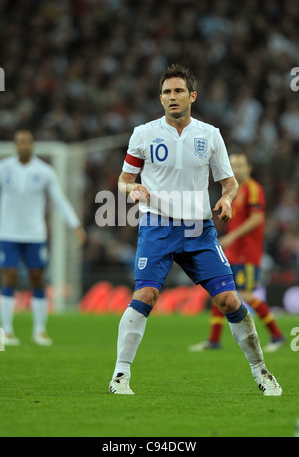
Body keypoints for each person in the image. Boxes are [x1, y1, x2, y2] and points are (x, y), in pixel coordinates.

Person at [108, 64, 282, 396]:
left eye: (178, 91)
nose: (172, 97)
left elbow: (229, 183)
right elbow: (123, 180)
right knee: (145, 295)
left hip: (199, 230)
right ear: (160, 98)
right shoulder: (143, 134)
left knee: (230, 300)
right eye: (166, 92)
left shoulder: (210, 135)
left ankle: (261, 371)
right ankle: (120, 375)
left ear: (192, 96)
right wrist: (132, 190)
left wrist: (228, 199)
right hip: (157, 225)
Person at [188, 153, 285, 353]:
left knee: (247, 295)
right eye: (234, 166)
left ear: (249, 168)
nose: (237, 169)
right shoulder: (232, 191)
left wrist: (233, 237)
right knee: (219, 291)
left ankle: (277, 335)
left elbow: (257, 219)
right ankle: (214, 340)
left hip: (247, 254)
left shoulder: (253, 189)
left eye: (241, 165)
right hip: (231, 253)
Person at [0, 130, 86, 346]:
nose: (23, 146)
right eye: (20, 142)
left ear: (33, 145)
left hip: (35, 235)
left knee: (37, 279)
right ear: (15, 145)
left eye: (27, 142)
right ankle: (7, 330)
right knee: (9, 277)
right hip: (8, 233)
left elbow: (59, 199)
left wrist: (75, 224)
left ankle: (40, 330)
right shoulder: (4, 169)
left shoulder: (44, 171)